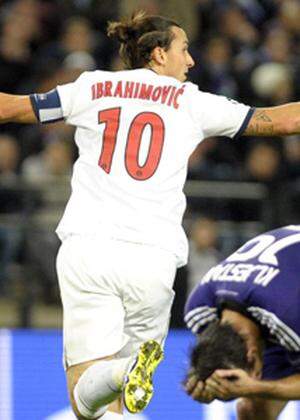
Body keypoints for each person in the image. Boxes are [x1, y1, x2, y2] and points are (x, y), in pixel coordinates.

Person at [2, 9, 300, 420]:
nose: (191, 61)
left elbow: (14, 109)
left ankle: (122, 370)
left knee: (85, 402)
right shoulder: (193, 102)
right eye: (185, 49)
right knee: (123, 408)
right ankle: (126, 370)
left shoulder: (93, 87)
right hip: (155, 262)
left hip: (91, 249)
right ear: (159, 54)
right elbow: (284, 121)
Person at [184, 224, 300, 420]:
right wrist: (202, 383)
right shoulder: (199, 312)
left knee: (257, 393)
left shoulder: (289, 316)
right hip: (280, 286)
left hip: (285, 299)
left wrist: (257, 386)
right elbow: (214, 361)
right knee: (251, 410)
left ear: (252, 354)